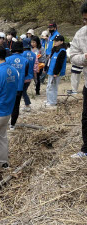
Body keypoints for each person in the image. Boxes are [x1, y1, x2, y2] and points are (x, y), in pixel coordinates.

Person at [69, 1, 87, 158]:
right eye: (85, 20)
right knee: (86, 117)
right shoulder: (81, 33)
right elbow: (72, 56)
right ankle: (86, 149)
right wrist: (84, 57)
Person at [6, 41, 29, 130]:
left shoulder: (8, 59)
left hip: (8, 86)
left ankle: (4, 122)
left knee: (7, 104)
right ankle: (12, 124)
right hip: (19, 86)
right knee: (16, 105)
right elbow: (26, 73)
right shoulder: (25, 60)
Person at [46, 35, 67, 107]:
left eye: (57, 41)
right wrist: (46, 68)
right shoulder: (54, 49)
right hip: (50, 71)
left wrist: (56, 73)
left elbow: (59, 63)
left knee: (53, 87)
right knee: (49, 86)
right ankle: (49, 99)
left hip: (55, 73)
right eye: (54, 41)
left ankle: (52, 102)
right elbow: (50, 60)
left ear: (61, 42)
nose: (55, 42)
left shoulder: (62, 51)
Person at [21, 38, 37, 112]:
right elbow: (35, 67)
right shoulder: (34, 55)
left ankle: (27, 105)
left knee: (23, 91)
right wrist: (35, 77)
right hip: (30, 77)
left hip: (23, 77)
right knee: (23, 91)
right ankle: (26, 105)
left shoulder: (22, 55)